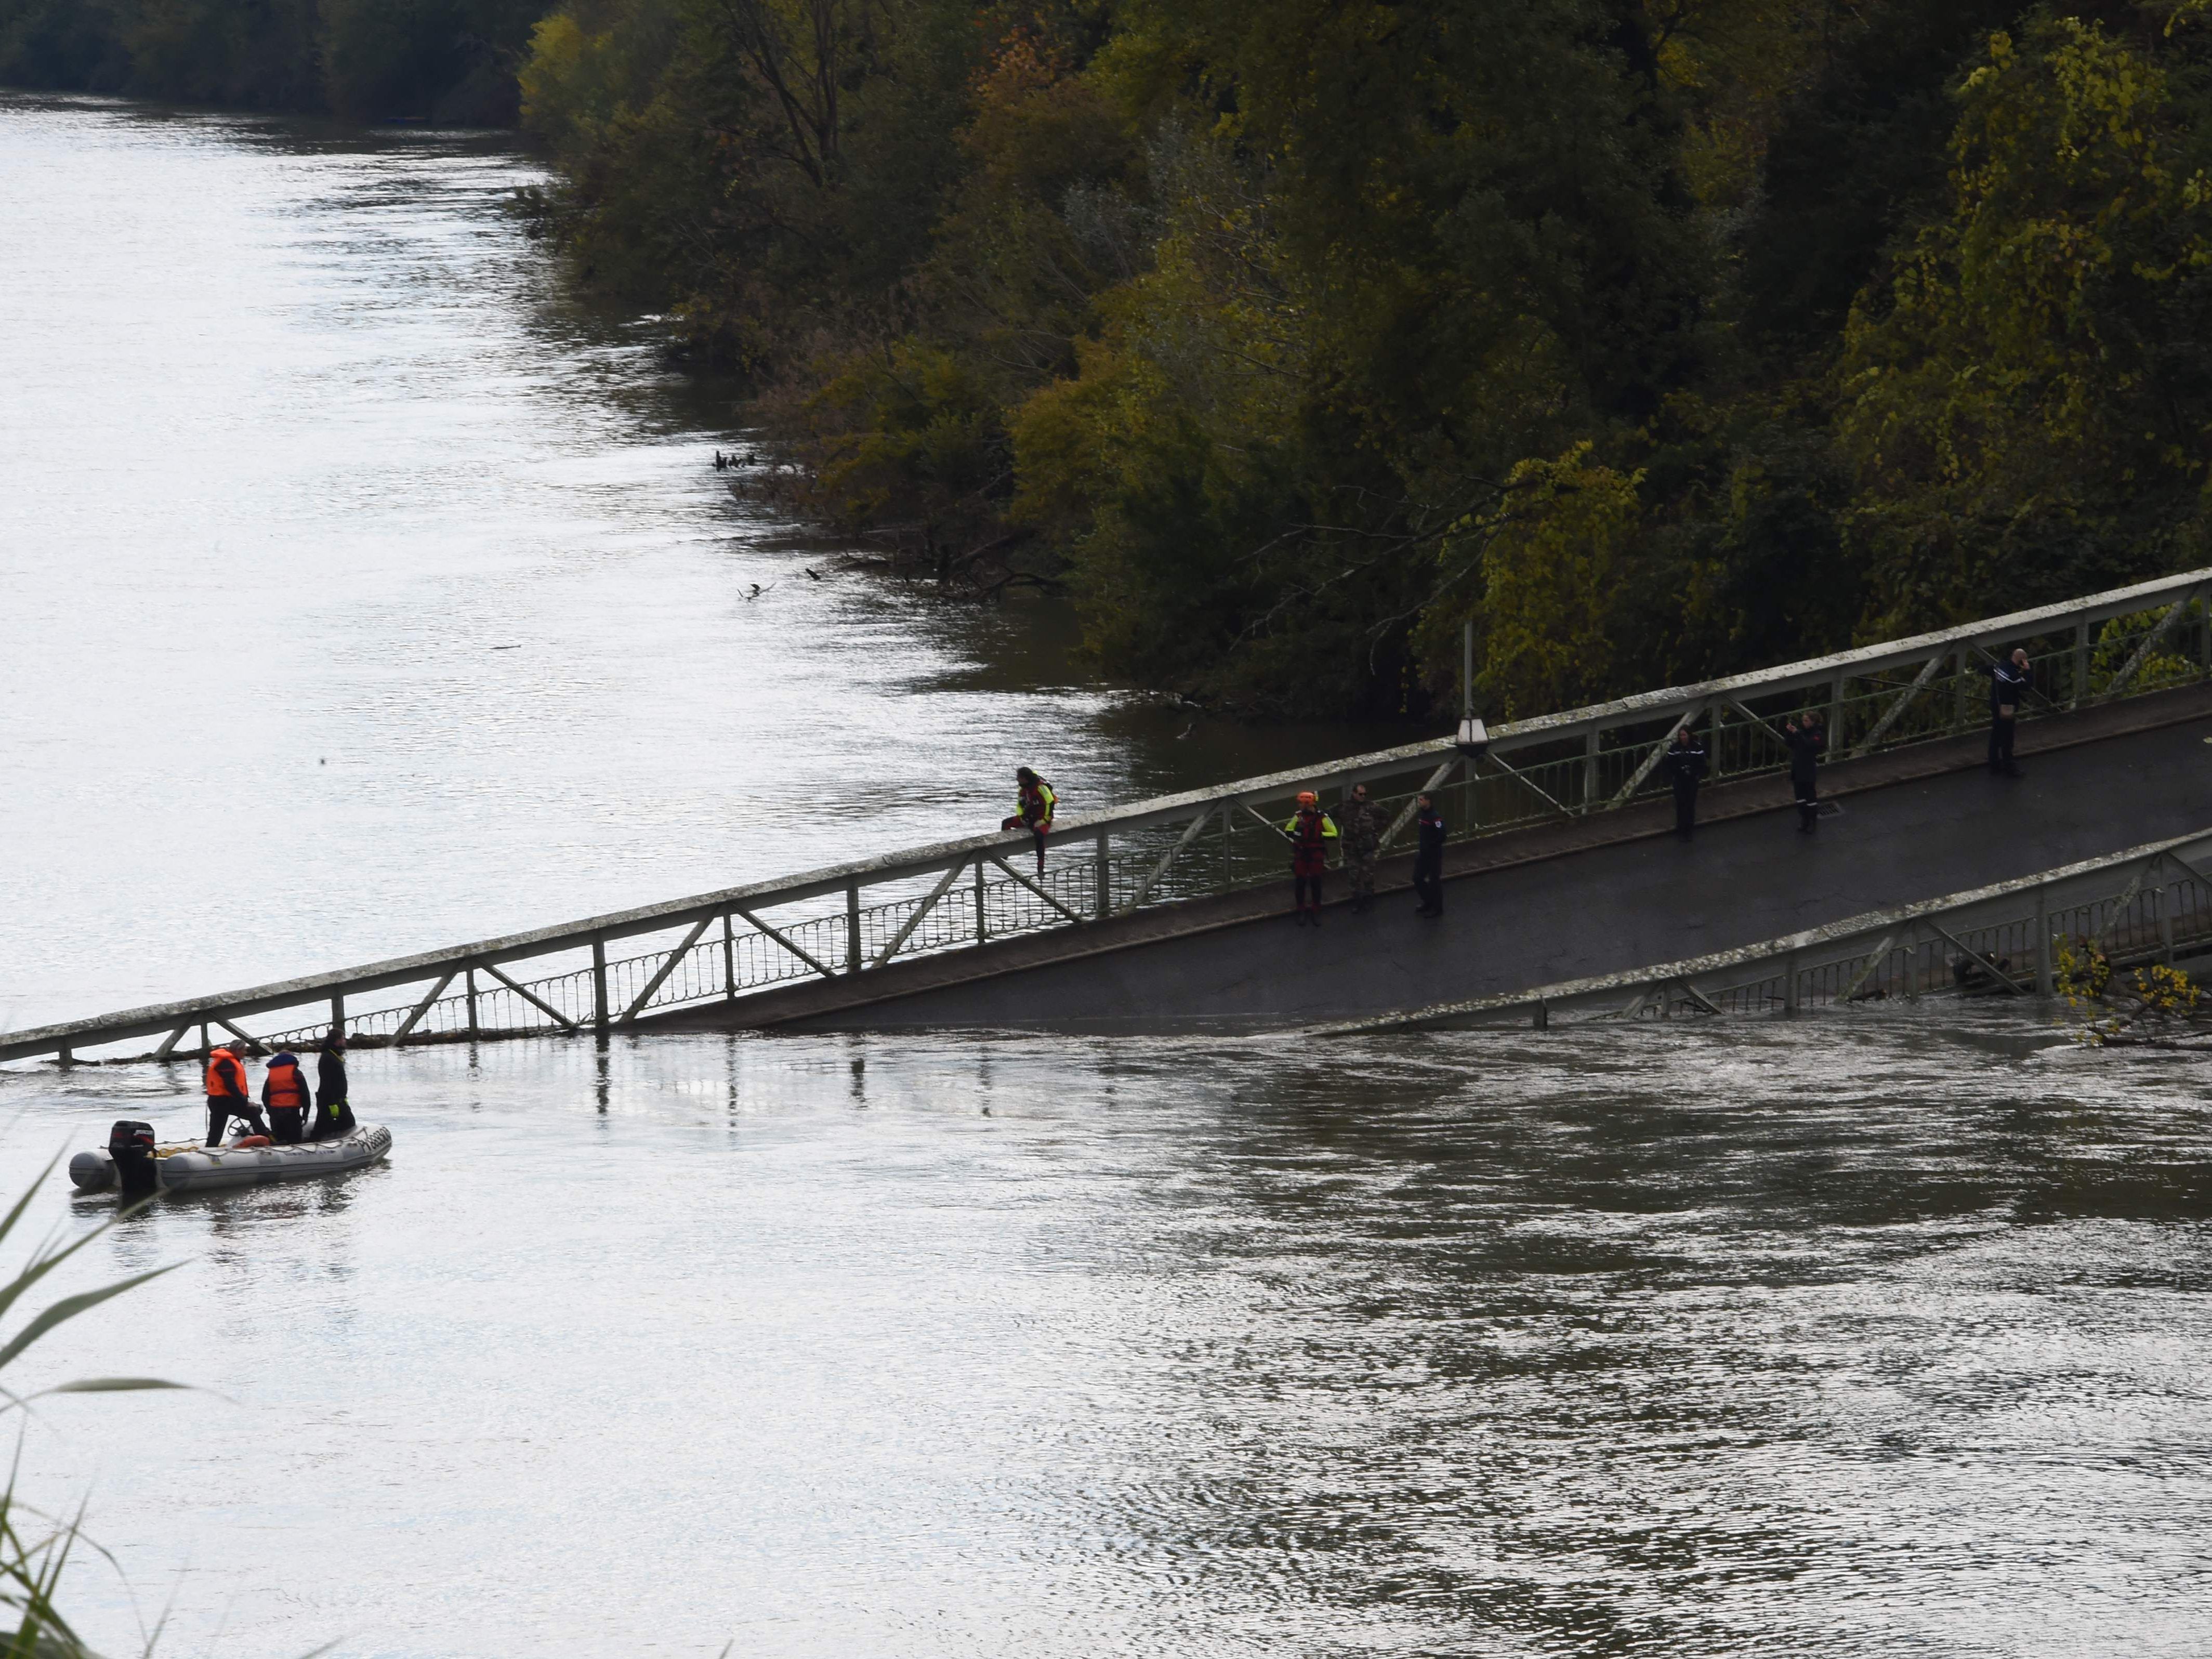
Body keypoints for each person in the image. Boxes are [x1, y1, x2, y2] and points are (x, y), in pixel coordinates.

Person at [1280, 789, 1339, 926]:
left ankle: (1316, 909)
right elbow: (1288, 830)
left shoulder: (1322, 818)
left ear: (1308, 804)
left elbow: (1334, 833)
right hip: (1301, 853)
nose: (1299, 805)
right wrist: (1297, 834)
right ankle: (1301, 909)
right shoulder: (1298, 816)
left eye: (1301, 803)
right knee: (1300, 882)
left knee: (1315, 882)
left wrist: (1319, 836)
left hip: (1315, 854)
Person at [203, 1041, 269, 1146]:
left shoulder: (229, 1061)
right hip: (224, 1101)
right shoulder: (227, 1063)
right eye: (244, 1050)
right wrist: (244, 1101)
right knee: (253, 1112)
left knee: (216, 1132)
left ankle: (210, 1148)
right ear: (237, 1051)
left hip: (220, 1101)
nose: (246, 1052)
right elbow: (230, 1085)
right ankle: (265, 1141)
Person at [1003, 766, 1056, 873]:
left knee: (1039, 836)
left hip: (1041, 819)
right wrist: (1022, 816)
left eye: (1019, 777)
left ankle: (1040, 867)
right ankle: (1005, 854)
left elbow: (1050, 802)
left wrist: (1045, 820)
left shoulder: (1041, 787)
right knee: (1005, 824)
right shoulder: (1023, 789)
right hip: (1028, 817)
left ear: (1025, 778)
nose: (1017, 779)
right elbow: (1020, 805)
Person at [1339, 783, 1382, 912]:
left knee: (1369, 875)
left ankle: (1369, 900)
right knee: (1354, 877)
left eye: (1365, 794)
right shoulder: (1344, 807)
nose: (1363, 796)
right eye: (1360, 794)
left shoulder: (1371, 806)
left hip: (1367, 847)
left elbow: (1385, 815)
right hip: (1352, 849)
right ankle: (1358, 903)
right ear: (1354, 793)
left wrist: (1374, 829)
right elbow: (1327, 814)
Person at [1659, 726, 1707, 839]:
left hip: (1691, 780)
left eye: (1684, 735)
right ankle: (1681, 827)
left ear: (1689, 735)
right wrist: (1677, 772)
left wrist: (1695, 774)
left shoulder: (1697, 747)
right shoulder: (1675, 748)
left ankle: (1689, 828)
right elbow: (1669, 764)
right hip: (1680, 780)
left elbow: (1702, 764)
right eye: (1681, 735)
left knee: (1690, 804)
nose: (1683, 738)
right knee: (1681, 804)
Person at [1988, 647, 2030, 776]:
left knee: (1996, 735)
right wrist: (2028, 671)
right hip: (2007, 709)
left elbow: (1983, 670)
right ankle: (2009, 767)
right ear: (2022, 661)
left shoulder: (1999, 667)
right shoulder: (2014, 676)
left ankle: (1994, 763)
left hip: (1995, 705)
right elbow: (2027, 686)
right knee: (2007, 738)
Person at [1783, 710, 1825, 833]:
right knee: (1800, 796)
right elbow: (1789, 743)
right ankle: (1804, 819)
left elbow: (1809, 745)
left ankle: (1812, 820)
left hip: (1808, 768)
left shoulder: (1817, 734)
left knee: (1810, 796)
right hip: (1798, 767)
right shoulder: (1801, 733)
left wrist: (1797, 734)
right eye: (1803, 720)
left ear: (1813, 722)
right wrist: (1790, 733)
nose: (1804, 723)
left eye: (1806, 721)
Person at [310, 1030, 356, 1140]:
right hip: (329, 1099)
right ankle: (312, 1143)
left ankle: (326, 1137)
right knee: (321, 1127)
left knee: (349, 1122)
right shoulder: (328, 1058)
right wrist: (332, 1103)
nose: (345, 1041)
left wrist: (343, 1097)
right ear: (337, 1041)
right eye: (343, 1039)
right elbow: (327, 1082)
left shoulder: (335, 1056)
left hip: (339, 1099)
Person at [261, 1049, 311, 1144]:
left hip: (276, 1114)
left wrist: (271, 1111)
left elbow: (265, 1097)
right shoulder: (296, 1072)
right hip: (292, 1114)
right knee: (295, 1142)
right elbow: (305, 1095)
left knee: (278, 1141)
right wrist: (305, 1114)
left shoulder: (271, 1074)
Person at [1412, 793, 1446, 917]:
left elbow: (1442, 836)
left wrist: (1431, 846)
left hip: (1433, 855)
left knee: (1434, 882)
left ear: (1428, 801)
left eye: (1421, 800)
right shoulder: (1423, 815)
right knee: (1417, 878)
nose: (1419, 802)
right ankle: (1428, 901)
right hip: (1424, 854)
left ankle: (1437, 908)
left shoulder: (1435, 818)